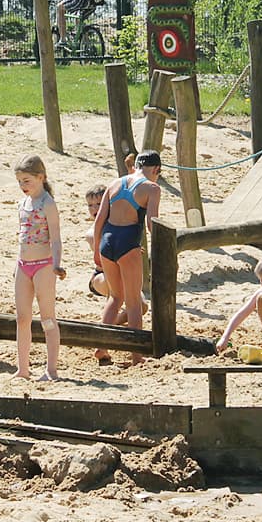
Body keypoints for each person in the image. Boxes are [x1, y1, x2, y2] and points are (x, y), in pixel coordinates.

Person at [92, 149, 163, 365]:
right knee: (133, 302)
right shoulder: (152, 188)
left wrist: (97, 251)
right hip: (128, 243)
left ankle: (100, 346)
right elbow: (152, 224)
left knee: (115, 297)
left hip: (107, 242)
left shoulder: (115, 183)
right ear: (157, 169)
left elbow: (99, 222)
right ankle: (137, 355)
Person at [13, 154, 66, 382]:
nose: (23, 186)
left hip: (44, 265)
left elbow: (55, 238)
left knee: (47, 318)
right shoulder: (23, 204)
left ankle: (51, 369)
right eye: (20, 182)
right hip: (23, 265)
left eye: (27, 181)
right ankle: (22, 368)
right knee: (22, 318)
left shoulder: (48, 203)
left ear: (41, 177)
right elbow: (23, 237)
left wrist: (56, 263)